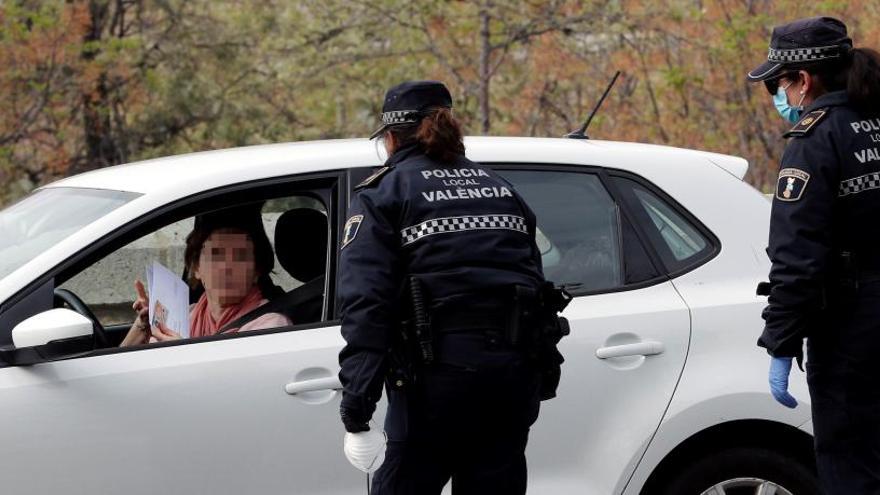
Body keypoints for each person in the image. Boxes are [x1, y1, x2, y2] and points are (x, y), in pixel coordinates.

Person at [337, 80, 569, 494]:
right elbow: (533, 280)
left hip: (436, 385)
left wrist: (357, 407)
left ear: (390, 138)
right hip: (512, 381)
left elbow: (367, 305)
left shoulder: (384, 193)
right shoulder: (501, 189)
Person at [747, 16, 880, 493]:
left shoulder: (815, 140)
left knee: (851, 465)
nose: (779, 98)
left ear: (803, 80)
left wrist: (780, 339)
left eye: (777, 85)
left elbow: (797, 259)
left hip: (852, 328)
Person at [120, 206, 291, 346]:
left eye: (240, 257)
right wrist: (144, 324)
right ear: (196, 268)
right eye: (216, 255)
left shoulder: (271, 326)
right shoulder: (183, 316)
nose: (226, 267)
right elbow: (121, 371)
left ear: (256, 272)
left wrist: (185, 353)